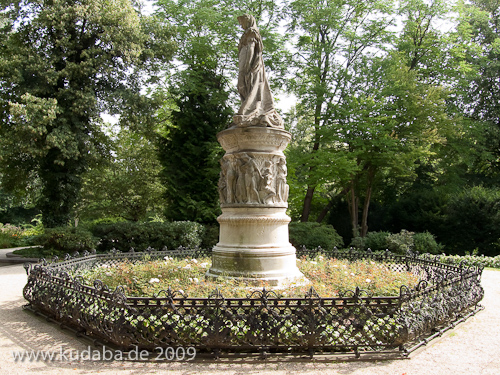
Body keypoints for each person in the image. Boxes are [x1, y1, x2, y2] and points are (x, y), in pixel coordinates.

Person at [232, 14, 283, 129]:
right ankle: (248, 110)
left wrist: (246, 66)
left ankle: (250, 110)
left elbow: (251, 49)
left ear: (248, 21)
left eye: (242, 22)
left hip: (251, 67)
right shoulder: (246, 34)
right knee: (242, 87)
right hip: (244, 66)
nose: (241, 25)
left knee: (248, 87)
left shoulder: (251, 32)